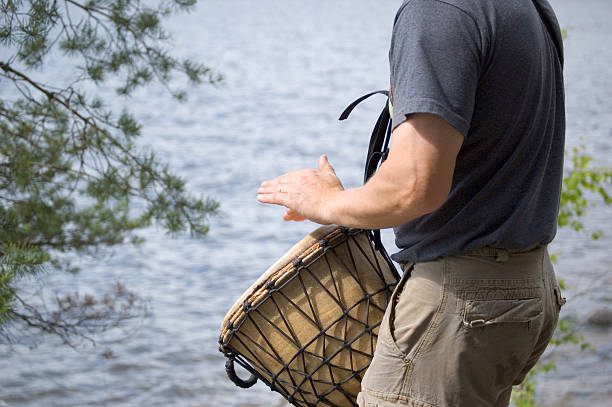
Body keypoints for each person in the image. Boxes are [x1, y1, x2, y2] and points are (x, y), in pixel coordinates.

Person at [257, 0, 566, 405]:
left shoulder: (438, 10)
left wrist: (327, 202)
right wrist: (353, 200)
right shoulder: (529, 8)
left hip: (461, 300)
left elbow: (414, 186)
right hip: (524, 287)